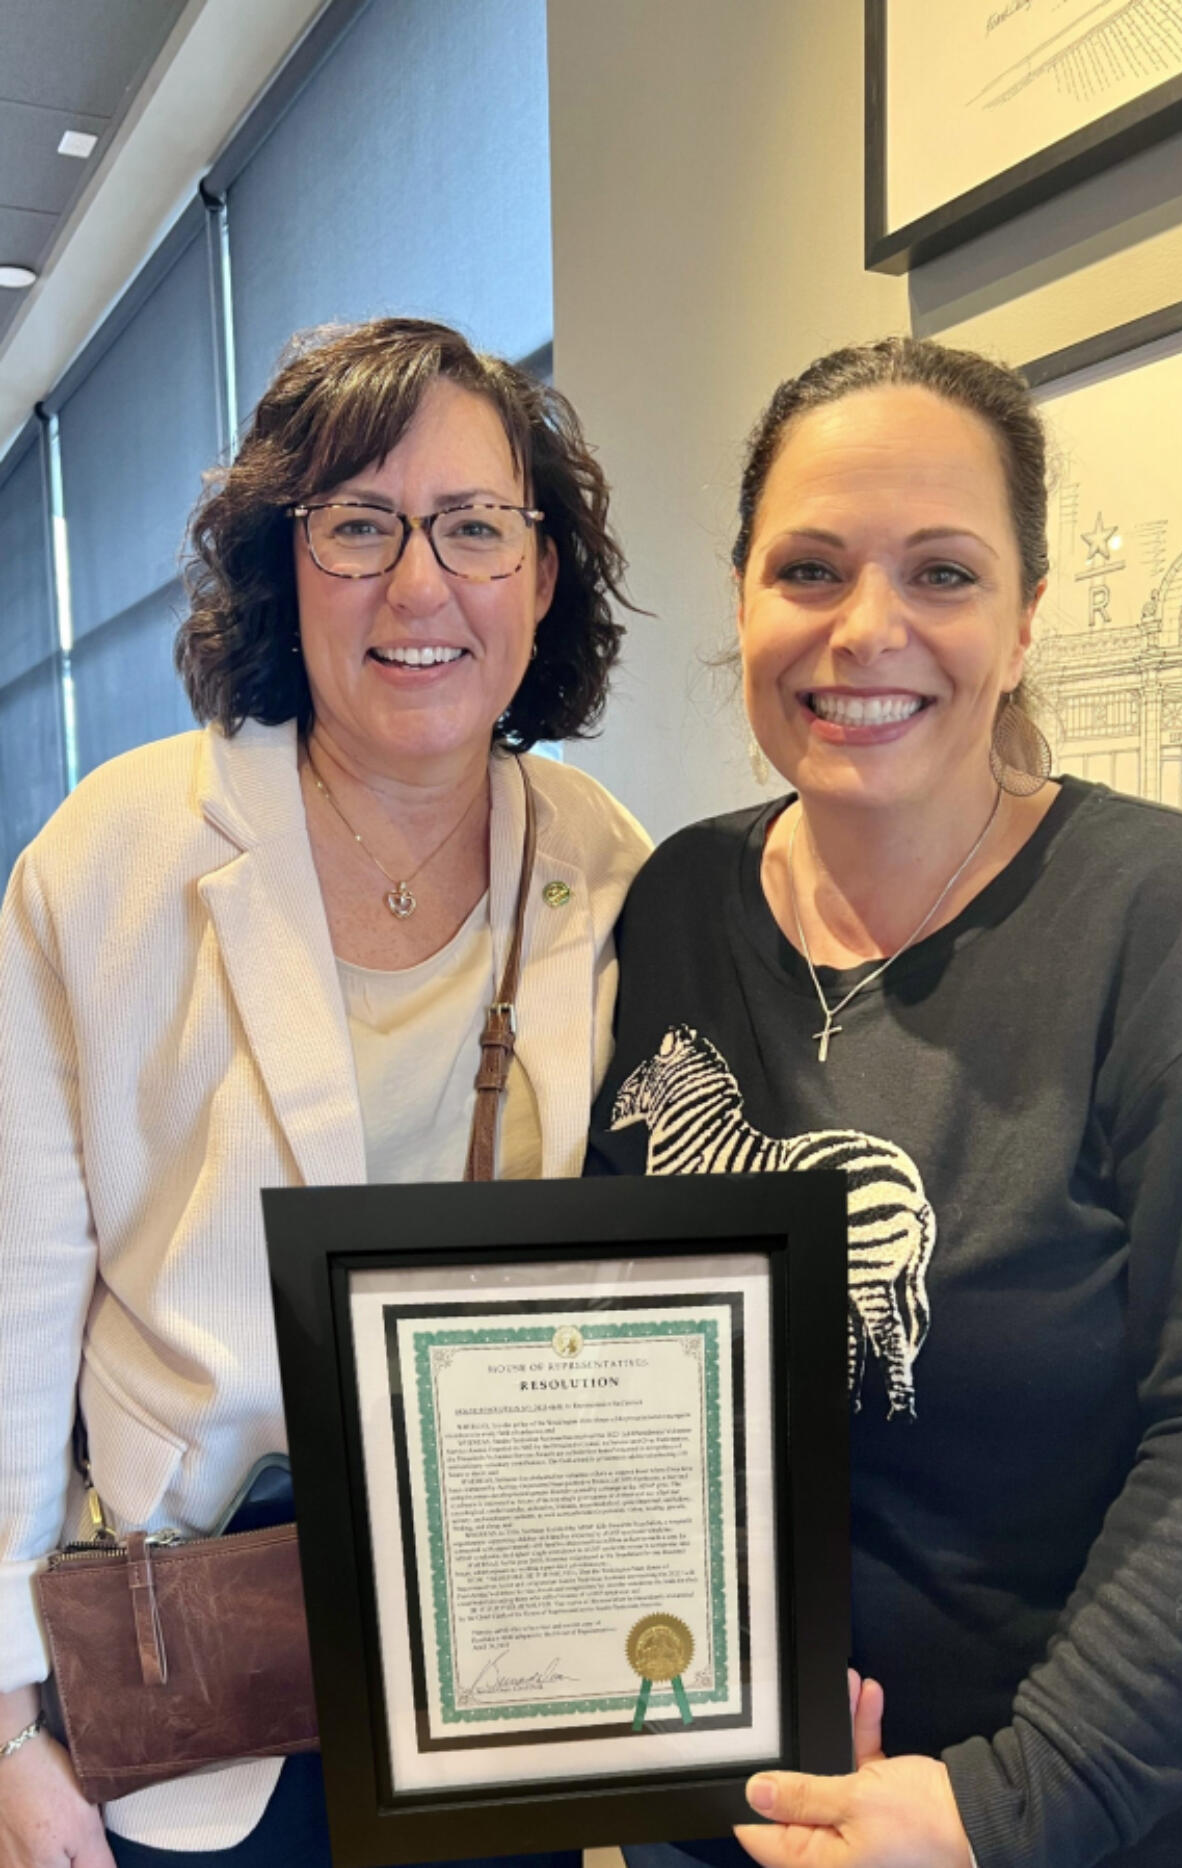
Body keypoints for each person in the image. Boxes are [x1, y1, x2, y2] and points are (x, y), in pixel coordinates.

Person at [0, 317, 650, 1866]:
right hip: (195, 1675)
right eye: (358, 525)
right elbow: (13, 1310)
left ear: (541, 573)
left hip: (509, 1665)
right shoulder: (117, 855)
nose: (419, 586)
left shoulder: (608, 861)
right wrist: (8, 1728)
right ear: (281, 567)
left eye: (475, 526)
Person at [588, 336, 1182, 1868]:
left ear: (1022, 625)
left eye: (941, 573)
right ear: (741, 598)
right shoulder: (674, 904)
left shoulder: (1171, 920)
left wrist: (996, 1806)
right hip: (720, 1800)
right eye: (808, 570)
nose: (864, 630)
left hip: (1051, 1823)